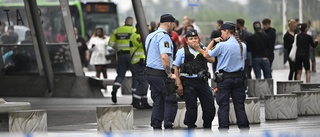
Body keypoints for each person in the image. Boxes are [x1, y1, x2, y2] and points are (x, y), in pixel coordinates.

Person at [190, 22, 249, 132]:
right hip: (239, 78)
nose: (221, 35)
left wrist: (212, 42)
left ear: (227, 31)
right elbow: (243, 60)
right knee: (240, 106)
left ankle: (223, 129)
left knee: (223, 106)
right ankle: (244, 128)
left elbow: (206, 54)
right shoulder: (243, 46)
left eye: (222, 32)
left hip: (224, 79)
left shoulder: (222, 45)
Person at [173, 29, 216, 129]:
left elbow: (211, 60)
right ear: (186, 41)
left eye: (195, 38)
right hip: (188, 82)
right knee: (191, 108)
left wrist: (200, 49)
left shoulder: (204, 49)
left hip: (202, 82)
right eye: (191, 39)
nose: (194, 40)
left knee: (209, 106)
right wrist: (179, 84)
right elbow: (175, 67)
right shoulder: (182, 51)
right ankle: (190, 126)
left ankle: (207, 126)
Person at [144, 14, 177, 130]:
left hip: (150, 74)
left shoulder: (151, 35)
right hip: (161, 75)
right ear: (169, 24)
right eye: (173, 24)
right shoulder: (164, 37)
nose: (174, 26)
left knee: (158, 101)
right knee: (170, 100)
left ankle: (156, 126)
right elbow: (164, 57)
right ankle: (168, 126)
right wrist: (169, 73)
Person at [109, 16, 136, 103]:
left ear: (125, 21)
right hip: (131, 56)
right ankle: (134, 97)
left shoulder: (117, 30)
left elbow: (111, 43)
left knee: (120, 75)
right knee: (135, 75)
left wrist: (118, 48)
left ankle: (115, 88)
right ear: (132, 22)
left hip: (121, 55)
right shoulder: (133, 30)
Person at [129, 24, 152, 109]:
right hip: (137, 63)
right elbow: (144, 44)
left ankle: (144, 101)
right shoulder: (136, 36)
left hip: (142, 62)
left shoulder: (136, 36)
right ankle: (136, 99)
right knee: (143, 83)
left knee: (145, 82)